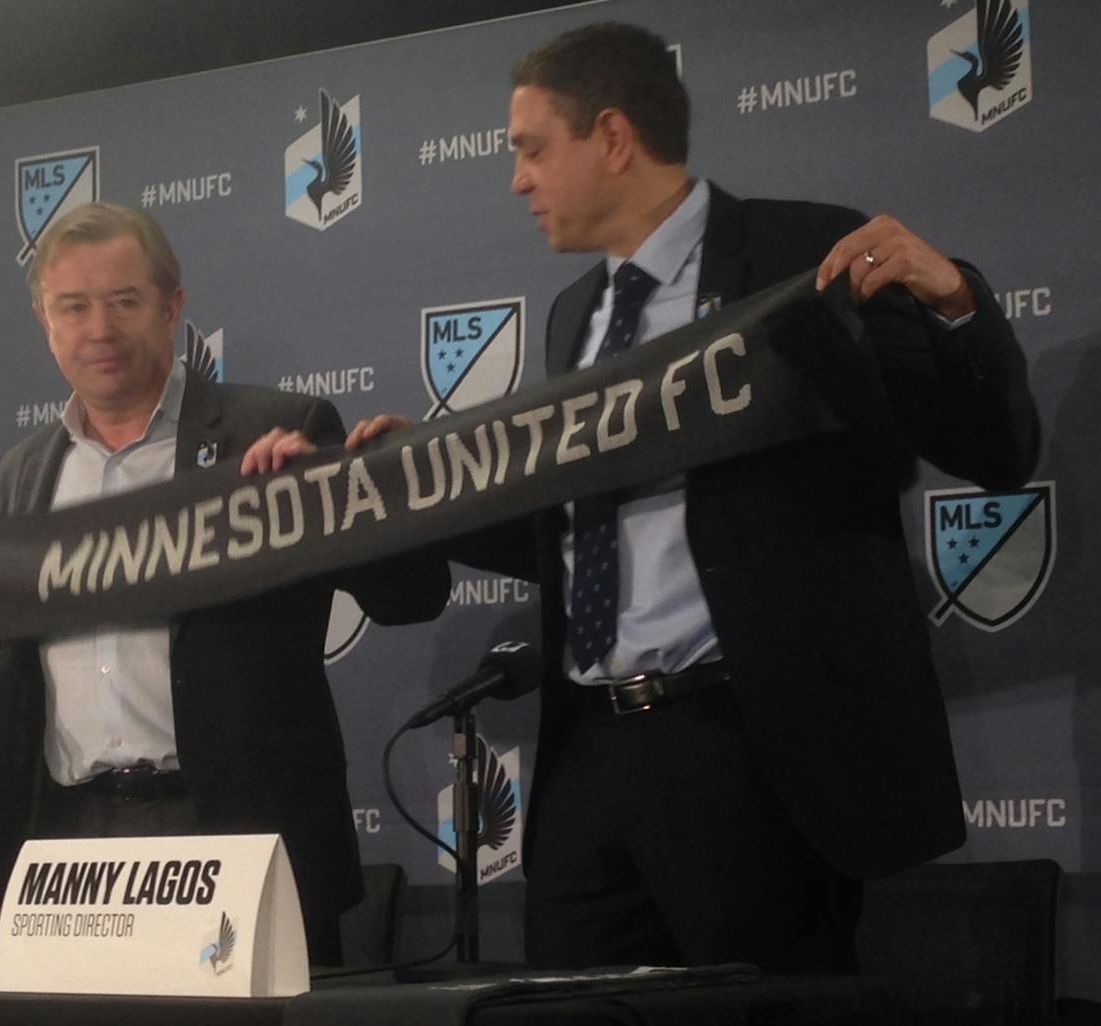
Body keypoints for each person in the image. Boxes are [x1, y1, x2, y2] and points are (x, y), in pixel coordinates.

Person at [265, 21, 1039, 972]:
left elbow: (996, 450)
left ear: (614, 138)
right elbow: (578, 532)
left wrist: (956, 297)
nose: (518, 179)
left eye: (533, 149)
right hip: (590, 755)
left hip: (749, 749)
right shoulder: (573, 320)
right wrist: (411, 486)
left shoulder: (807, 253)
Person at [0, 202, 450, 964]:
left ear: (173, 308)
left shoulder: (277, 427)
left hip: (239, 837)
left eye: (124, 302)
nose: (99, 329)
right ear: (44, 320)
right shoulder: (23, 473)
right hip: (69, 843)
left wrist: (346, 494)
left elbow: (411, 597)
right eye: (73, 306)